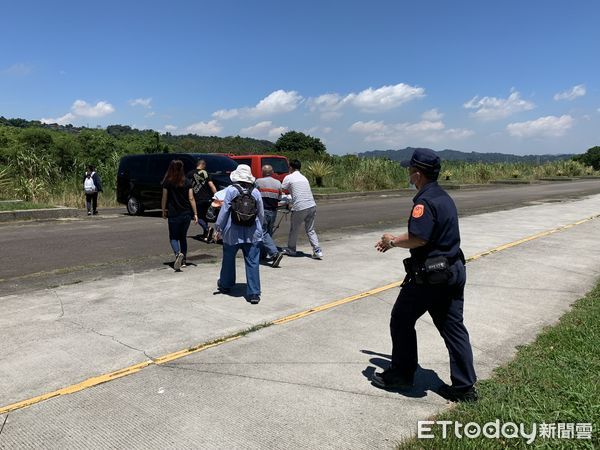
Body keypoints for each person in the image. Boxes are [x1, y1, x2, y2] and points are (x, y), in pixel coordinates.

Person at [372, 148, 477, 403]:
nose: (408, 174)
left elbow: (419, 237)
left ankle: (401, 375)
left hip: (431, 276)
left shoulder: (424, 201)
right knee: (453, 327)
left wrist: (392, 240)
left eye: (410, 170)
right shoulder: (443, 197)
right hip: (452, 270)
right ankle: (465, 388)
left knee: (401, 319)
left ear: (417, 174)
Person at [214, 164, 264, 304]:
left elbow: (224, 211)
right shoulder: (255, 192)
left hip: (232, 232)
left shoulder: (230, 190)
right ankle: (254, 293)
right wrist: (260, 228)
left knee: (228, 259)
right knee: (253, 261)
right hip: (252, 232)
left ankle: (226, 284)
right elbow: (260, 212)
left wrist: (218, 227)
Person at [281, 159, 323, 259]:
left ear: (290, 167)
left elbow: (281, 190)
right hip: (311, 205)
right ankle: (317, 250)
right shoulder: (304, 178)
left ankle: (291, 249)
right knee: (310, 229)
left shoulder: (289, 177)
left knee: (294, 229)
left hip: (300, 207)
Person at [161, 160, 198, 271]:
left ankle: (178, 254)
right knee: (183, 237)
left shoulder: (167, 182)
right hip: (186, 213)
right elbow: (191, 198)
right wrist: (195, 213)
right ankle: (184, 261)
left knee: (173, 237)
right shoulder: (187, 182)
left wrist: (163, 210)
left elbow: (164, 197)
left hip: (173, 213)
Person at [255, 164, 283, 268]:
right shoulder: (278, 183)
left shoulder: (258, 182)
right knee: (268, 233)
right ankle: (263, 254)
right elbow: (280, 197)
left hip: (263, 211)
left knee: (262, 232)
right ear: (272, 172)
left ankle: (274, 253)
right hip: (273, 211)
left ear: (263, 172)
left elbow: (254, 195)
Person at [187, 159, 217, 242]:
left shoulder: (190, 174)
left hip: (197, 199)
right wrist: (217, 195)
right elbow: (211, 186)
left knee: (196, 216)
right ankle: (206, 234)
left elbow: (187, 185)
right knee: (204, 217)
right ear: (203, 165)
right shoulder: (206, 173)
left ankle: (207, 229)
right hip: (207, 198)